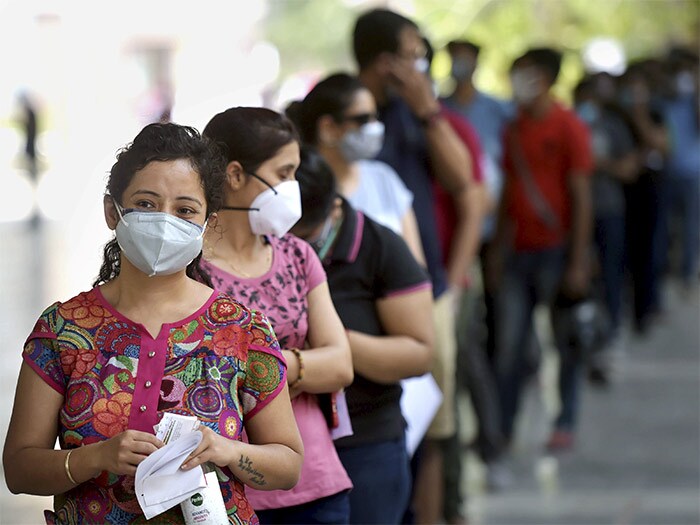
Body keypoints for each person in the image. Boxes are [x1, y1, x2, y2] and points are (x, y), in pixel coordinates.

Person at [2, 122, 304, 524]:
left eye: (184, 210)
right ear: (113, 211)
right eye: (145, 204)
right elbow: (19, 470)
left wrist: (226, 450)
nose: (164, 221)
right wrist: (97, 457)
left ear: (207, 224)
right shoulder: (63, 328)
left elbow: (288, 465)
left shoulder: (243, 329)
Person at [198, 107, 354, 525]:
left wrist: (265, 368)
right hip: (222, 492)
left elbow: (341, 364)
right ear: (233, 175)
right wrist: (303, 366)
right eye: (284, 173)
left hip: (316, 483)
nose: (292, 187)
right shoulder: (188, 268)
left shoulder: (297, 256)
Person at [351, 9, 472, 524]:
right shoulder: (347, 113)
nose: (419, 63)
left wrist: (428, 111)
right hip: (356, 298)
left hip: (426, 291)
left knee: (434, 422)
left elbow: (464, 182)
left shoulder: (421, 115)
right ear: (383, 60)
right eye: (410, 53)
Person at [291, 147, 434, 525]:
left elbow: (420, 354)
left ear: (334, 208)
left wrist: (333, 342)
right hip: (282, 450)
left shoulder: (379, 246)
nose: (293, 249)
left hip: (365, 442)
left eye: (304, 236)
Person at [488, 47, 593, 453]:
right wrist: (498, 248)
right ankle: (504, 427)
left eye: (526, 74)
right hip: (517, 254)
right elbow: (509, 195)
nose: (518, 83)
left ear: (546, 80)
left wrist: (579, 261)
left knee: (564, 340)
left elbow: (581, 196)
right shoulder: (513, 130)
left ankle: (565, 419)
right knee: (509, 346)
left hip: (557, 253)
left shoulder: (569, 127)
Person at [288, 71, 425, 265]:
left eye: (375, 117)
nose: (375, 127)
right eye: (363, 119)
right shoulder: (300, 190)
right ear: (328, 129)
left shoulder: (384, 179)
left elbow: (417, 270)